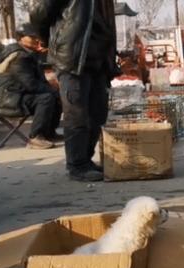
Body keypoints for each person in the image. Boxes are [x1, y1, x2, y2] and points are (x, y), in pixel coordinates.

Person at [30, 0, 119, 181]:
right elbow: (39, 14)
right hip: (71, 58)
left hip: (99, 59)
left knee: (98, 113)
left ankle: (85, 159)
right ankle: (77, 165)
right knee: (76, 114)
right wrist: (53, 41)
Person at [0, 24, 62, 149]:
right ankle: (35, 137)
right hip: (10, 99)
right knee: (46, 98)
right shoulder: (19, 56)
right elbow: (30, 84)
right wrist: (52, 89)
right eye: (32, 37)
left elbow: (38, 80)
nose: (36, 39)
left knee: (56, 95)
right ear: (21, 38)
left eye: (37, 37)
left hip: (20, 94)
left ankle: (49, 133)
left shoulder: (29, 53)